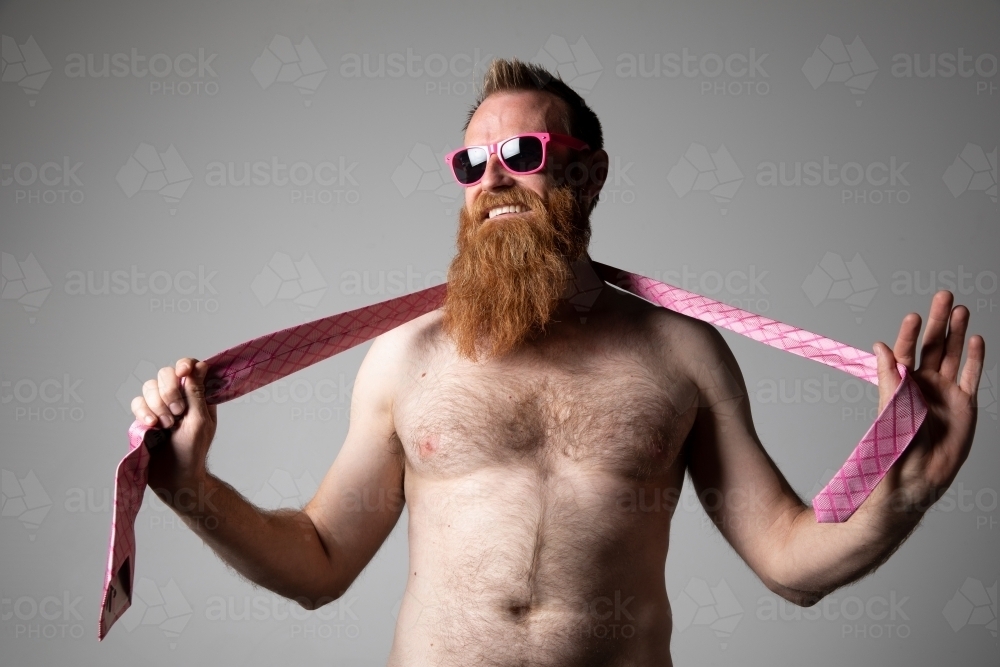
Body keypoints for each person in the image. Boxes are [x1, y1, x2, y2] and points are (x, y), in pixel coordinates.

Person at [130, 58, 986, 665]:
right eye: (473, 163)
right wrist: (189, 488)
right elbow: (316, 562)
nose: (495, 178)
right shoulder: (404, 359)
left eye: (526, 155)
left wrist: (903, 493)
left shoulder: (684, 356)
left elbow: (790, 561)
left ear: (590, 175)